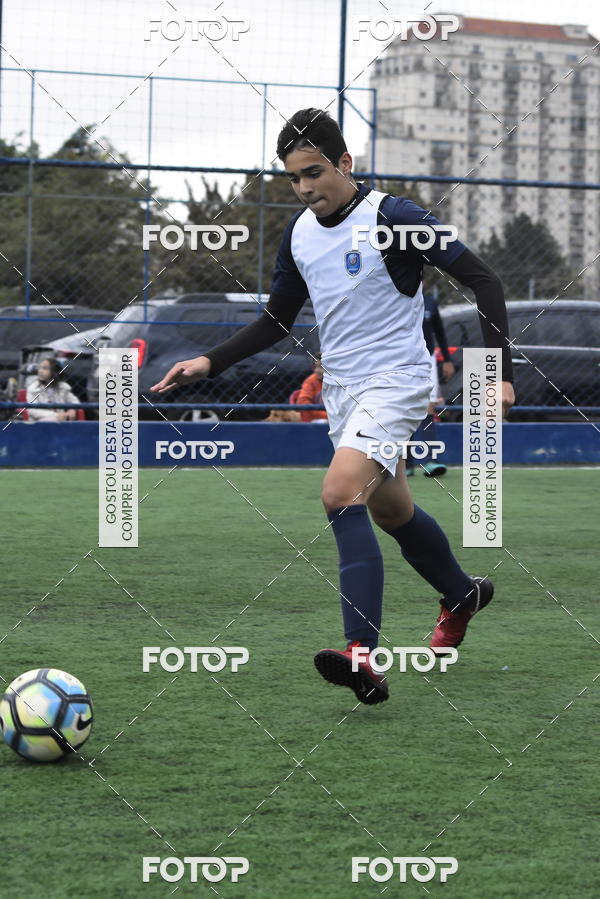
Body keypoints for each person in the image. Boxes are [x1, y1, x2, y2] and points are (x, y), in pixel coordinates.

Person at [151, 108, 515, 705]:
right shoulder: (299, 233)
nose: (306, 188)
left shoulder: (393, 217)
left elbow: (484, 280)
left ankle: (361, 655)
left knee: (340, 493)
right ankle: (462, 593)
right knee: (392, 510)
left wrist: (497, 371)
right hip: (342, 391)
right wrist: (208, 363)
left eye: (315, 172)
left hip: (396, 382)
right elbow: (276, 320)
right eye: (295, 178)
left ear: (345, 163)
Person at [406, 292, 455, 478]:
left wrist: (447, 360)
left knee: (428, 408)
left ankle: (431, 461)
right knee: (406, 408)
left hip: (427, 359)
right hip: (401, 359)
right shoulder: (395, 296)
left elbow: (439, 331)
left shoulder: (430, 302)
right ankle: (406, 463)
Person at [26, 357, 80, 422]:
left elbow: (74, 401)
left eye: (45, 368)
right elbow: (33, 411)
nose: (40, 371)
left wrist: (72, 409)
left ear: (54, 371)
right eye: (39, 368)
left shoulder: (62, 387)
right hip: (39, 422)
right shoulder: (33, 388)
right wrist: (55, 415)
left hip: (61, 419)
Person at [295, 353, 328, 422]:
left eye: (321, 367)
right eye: (315, 367)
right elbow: (303, 404)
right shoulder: (310, 381)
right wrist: (327, 416)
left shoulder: (338, 381)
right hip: (313, 420)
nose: (317, 370)